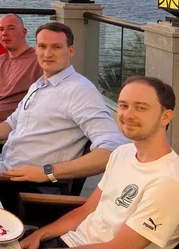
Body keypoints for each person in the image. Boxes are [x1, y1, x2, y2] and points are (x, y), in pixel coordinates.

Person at [0, 22, 127, 211]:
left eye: (56, 47)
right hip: (3, 166)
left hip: (27, 189)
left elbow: (113, 149)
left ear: (70, 51)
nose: (47, 53)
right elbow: (13, 122)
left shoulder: (79, 91)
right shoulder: (40, 84)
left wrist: (47, 172)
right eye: (42, 46)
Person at [20, 77, 178, 249]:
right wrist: (39, 235)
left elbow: (118, 247)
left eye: (141, 108)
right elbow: (87, 210)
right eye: (123, 105)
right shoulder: (122, 153)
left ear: (165, 117)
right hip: (68, 241)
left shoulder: (168, 182)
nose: (128, 115)